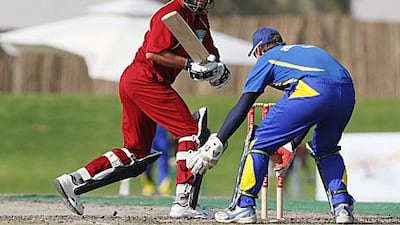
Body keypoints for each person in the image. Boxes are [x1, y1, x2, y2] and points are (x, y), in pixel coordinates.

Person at [54, 0, 230, 219]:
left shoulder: (201, 18)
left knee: (135, 152)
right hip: (146, 79)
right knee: (191, 132)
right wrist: (188, 65)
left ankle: (73, 180)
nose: (202, 0)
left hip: (138, 81)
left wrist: (218, 69)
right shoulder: (169, 13)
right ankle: (184, 204)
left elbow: (207, 53)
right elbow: (153, 53)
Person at [187, 27, 356, 224]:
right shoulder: (303, 51)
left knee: (259, 143)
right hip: (346, 92)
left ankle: (244, 206)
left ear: (259, 50)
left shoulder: (268, 58)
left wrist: (218, 141)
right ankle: (342, 206)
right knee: (326, 150)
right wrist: (291, 144)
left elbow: (243, 106)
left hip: (312, 88)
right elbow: (308, 112)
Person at [141, 125, 172, 196]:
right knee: (146, 160)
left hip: (161, 135)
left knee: (163, 160)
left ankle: (164, 187)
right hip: (148, 135)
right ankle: (148, 185)